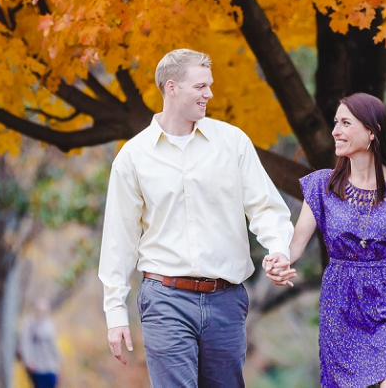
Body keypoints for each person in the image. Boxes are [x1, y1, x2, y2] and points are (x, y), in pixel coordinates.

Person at [98, 48, 294, 386]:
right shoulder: (133, 156)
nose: (210, 94)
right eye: (201, 87)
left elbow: (265, 207)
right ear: (172, 88)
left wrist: (278, 249)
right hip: (165, 298)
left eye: (210, 85)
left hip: (226, 300)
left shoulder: (232, 142)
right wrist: (115, 312)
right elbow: (119, 240)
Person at [265, 92, 386, 388]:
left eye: (345, 123)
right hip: (340, 306)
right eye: (335, 123)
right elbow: (294, 246)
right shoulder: (321, 186)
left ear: (372, 132)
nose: (335, 131)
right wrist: (278, 260)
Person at [18, 298, 60, 388]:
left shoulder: (49, 324)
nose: (42, 313)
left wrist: (57, 362)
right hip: (37, 366)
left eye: (45, 310)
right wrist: (29, 361)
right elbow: (25, 344)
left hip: (50, 366)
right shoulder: (30, 324)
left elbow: (54, 345)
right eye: (40, 310)